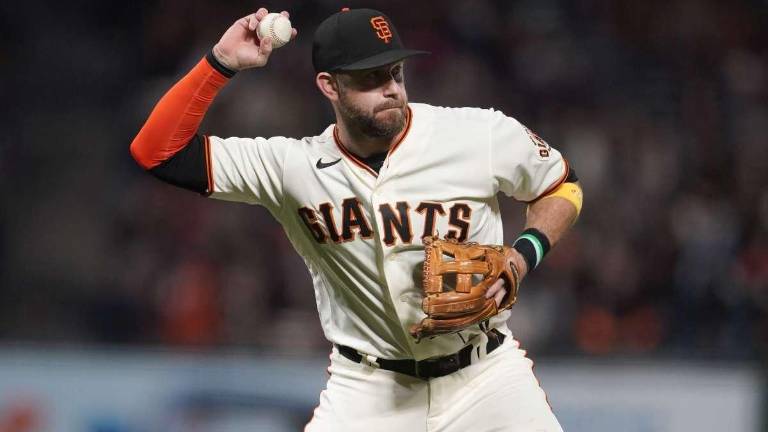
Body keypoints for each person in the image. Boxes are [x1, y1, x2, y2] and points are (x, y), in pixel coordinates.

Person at [131, 7, 582, 432]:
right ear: (330, 86)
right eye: (370, 77)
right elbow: (157, 152)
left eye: (395, 72)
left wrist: (524, 255)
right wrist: (221, 63)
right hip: (368, 390)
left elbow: (561, 186)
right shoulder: (292, 168)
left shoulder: (475, 133)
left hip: (486, 378)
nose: (391, 89)